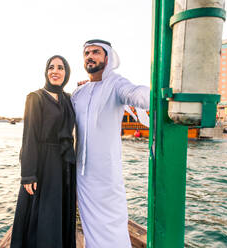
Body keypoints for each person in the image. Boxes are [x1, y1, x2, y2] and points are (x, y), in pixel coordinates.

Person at [71, 39, 150, 248]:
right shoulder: (78, 93)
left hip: (107, 174)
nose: (90, 56)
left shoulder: (116, 84)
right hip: (81, 174)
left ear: (107, 57)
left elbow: (135, 94)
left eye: (96, 52)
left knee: (113, 225)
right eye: (86, 53)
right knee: (89, 225)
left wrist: (157, 95)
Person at [10, 55, 77, 248]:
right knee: (43, 214)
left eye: (61, 68)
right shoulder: (36, 98)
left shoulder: (68, 98)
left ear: (67, 73)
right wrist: (28, 174)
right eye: (51, 67)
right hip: (43, 162)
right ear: (46, 72)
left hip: (64, 163)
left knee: (61, 211)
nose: (55, 71)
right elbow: (29, 136)